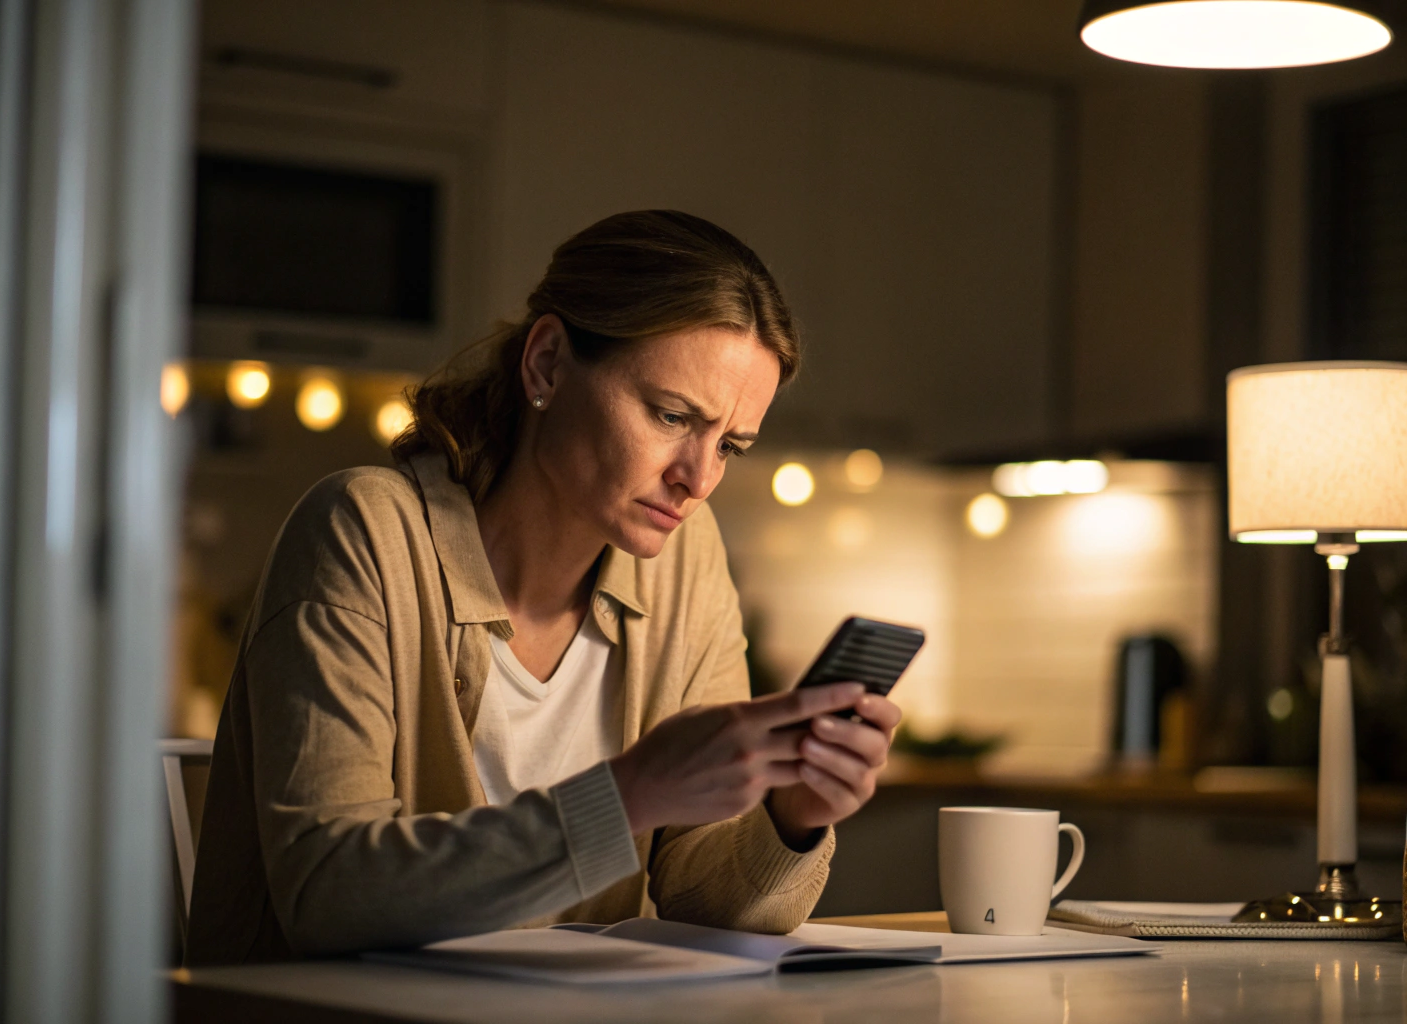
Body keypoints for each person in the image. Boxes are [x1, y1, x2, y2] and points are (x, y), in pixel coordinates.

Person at [186, 210, 902, 965]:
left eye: (729, 444)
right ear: (549, 364)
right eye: (670, 415)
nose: (698, 479)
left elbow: (704, 901)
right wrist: (629, 794)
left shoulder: (684, 563)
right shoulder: (363, 531)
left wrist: (789, 819)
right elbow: (326, 897)